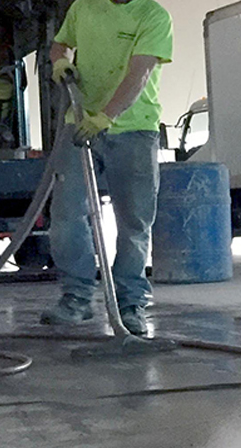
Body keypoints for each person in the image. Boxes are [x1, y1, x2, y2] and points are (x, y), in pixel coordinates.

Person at [40, 0, 173, 335]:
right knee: (66, 214)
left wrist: (105, 117)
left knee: (134, 222)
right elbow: (60, 43)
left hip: (134, 130)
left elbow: (140, 72)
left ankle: (130, 305)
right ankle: (77, 298)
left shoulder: (153, 16)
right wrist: (60, 61)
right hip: (78, 122)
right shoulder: (83, 6)